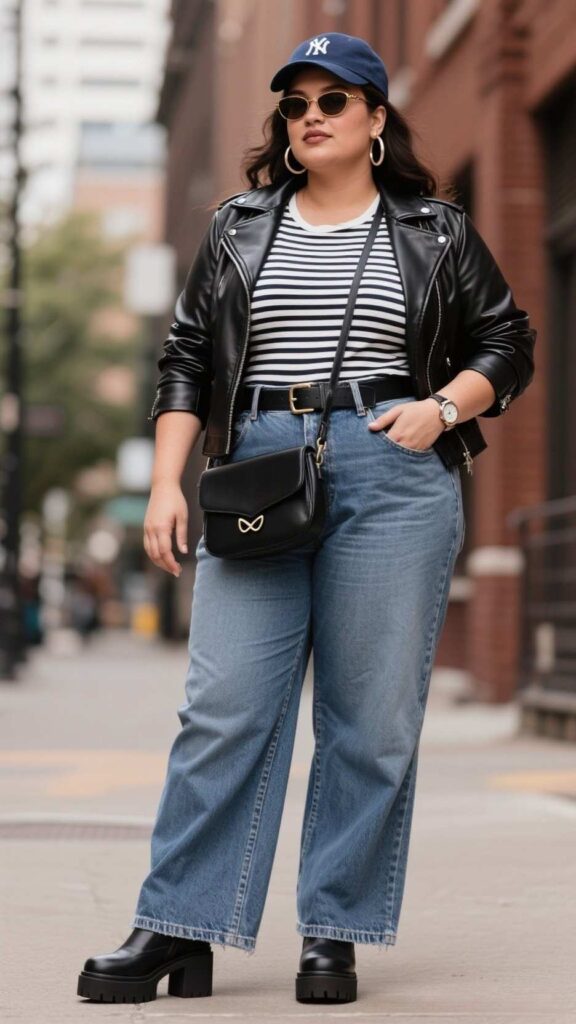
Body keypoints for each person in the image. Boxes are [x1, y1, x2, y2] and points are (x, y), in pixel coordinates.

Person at [77, 32, 536, 1006]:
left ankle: (335, 932)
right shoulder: (239, 226)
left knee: (369, 720)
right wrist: (168, 481)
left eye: (336, 98)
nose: (312, 114)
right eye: (296, 103)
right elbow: (187, 357)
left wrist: (444, 406)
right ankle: (178, 924)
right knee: (223, 706)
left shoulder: (435, 230)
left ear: (376, 119)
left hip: (393, 468)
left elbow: (507, 340)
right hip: (256, 466)